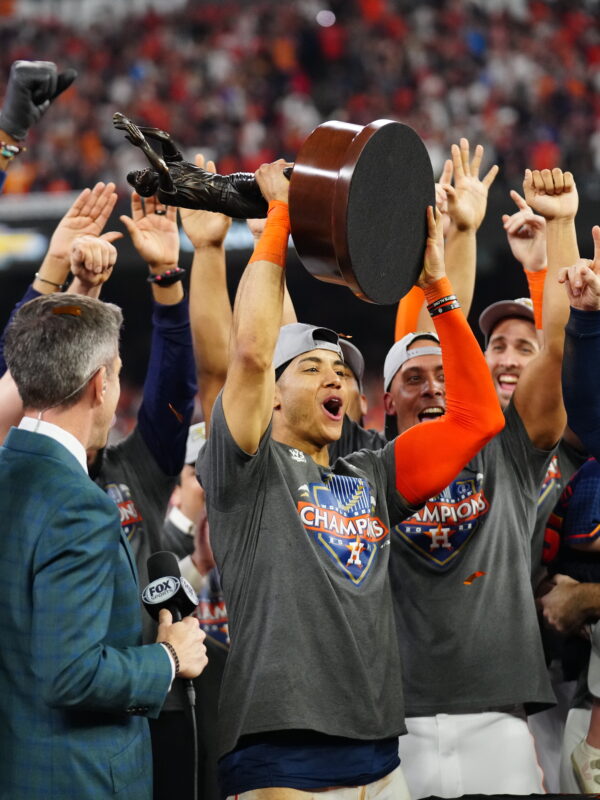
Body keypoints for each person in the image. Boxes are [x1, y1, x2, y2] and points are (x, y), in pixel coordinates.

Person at [197, 158, 504, 799]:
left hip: (378, 754)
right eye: (311, 368)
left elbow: (476, 417)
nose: (335, 378)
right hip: (279, 752)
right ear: (270, 399)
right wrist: (276, 216)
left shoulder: (371, 472)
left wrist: (440, 288)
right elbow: (251, 354)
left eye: (340, 369)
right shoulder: (243, 470)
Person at [0, 292, 207, 800]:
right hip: (78, 778)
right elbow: (71, 673)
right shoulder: (80, 504)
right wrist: (169, 658)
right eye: (117, 369)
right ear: (101, 383)